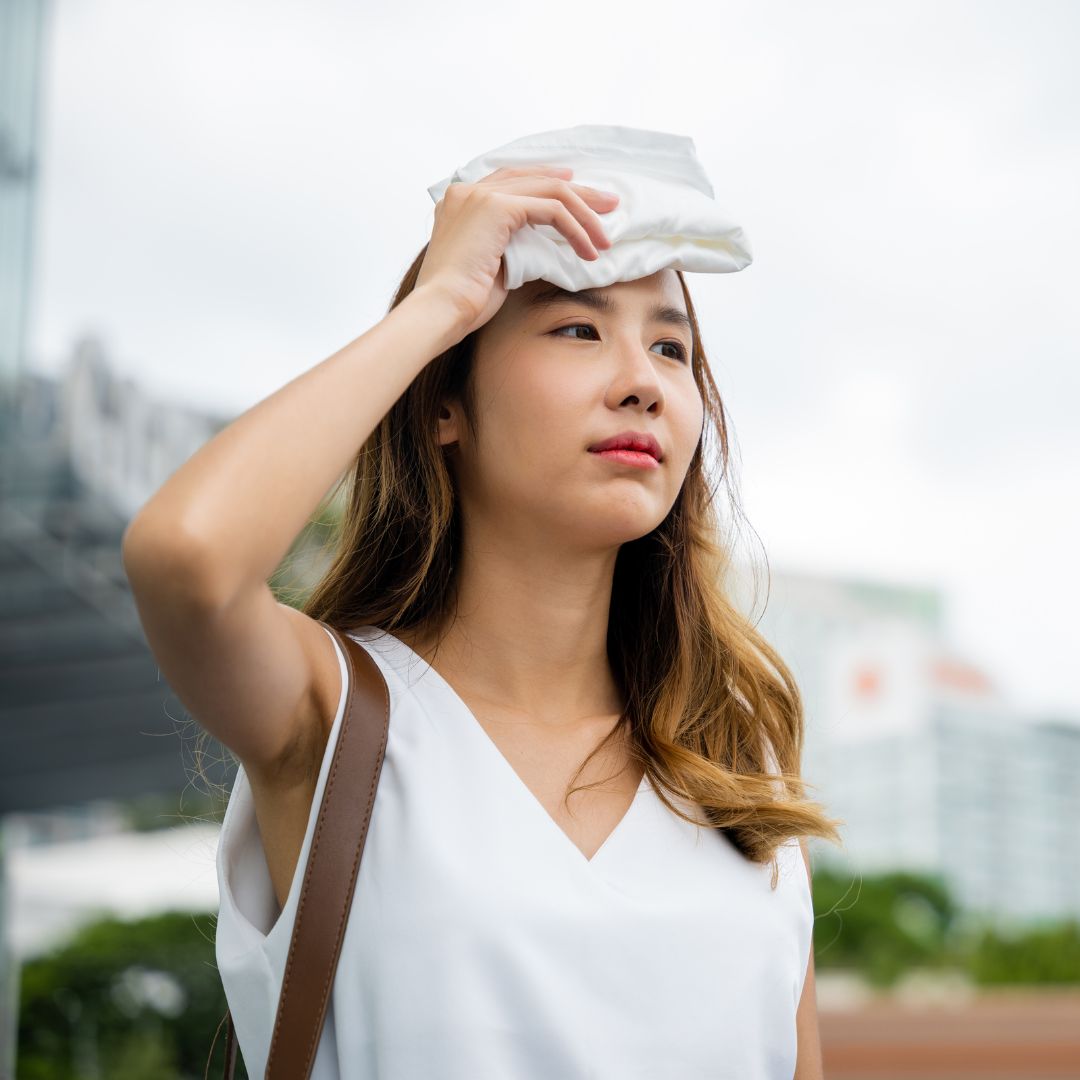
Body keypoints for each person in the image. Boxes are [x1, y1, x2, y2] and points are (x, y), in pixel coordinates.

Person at [122, 163, 843, 1078]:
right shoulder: (340, 716)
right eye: (579, 328)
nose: (643, 383)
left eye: (672, 349)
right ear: (443, 403)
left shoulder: (736, 762)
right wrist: (437, 306)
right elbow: (186, 558)